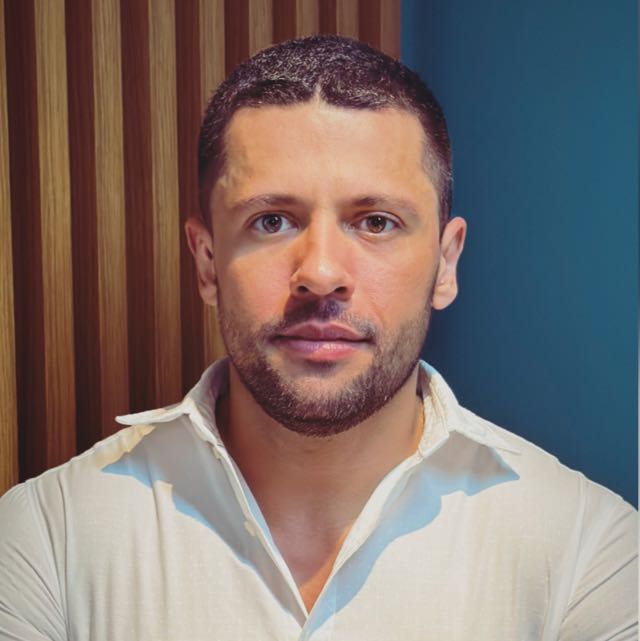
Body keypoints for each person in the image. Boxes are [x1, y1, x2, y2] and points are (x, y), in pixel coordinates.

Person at [0, 35, 636, 641]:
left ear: (446, 264)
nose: (322, 273)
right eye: (271, 221)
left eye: (376, 222)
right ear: (207, 262)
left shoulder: (589, 551)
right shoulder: (48, 538)